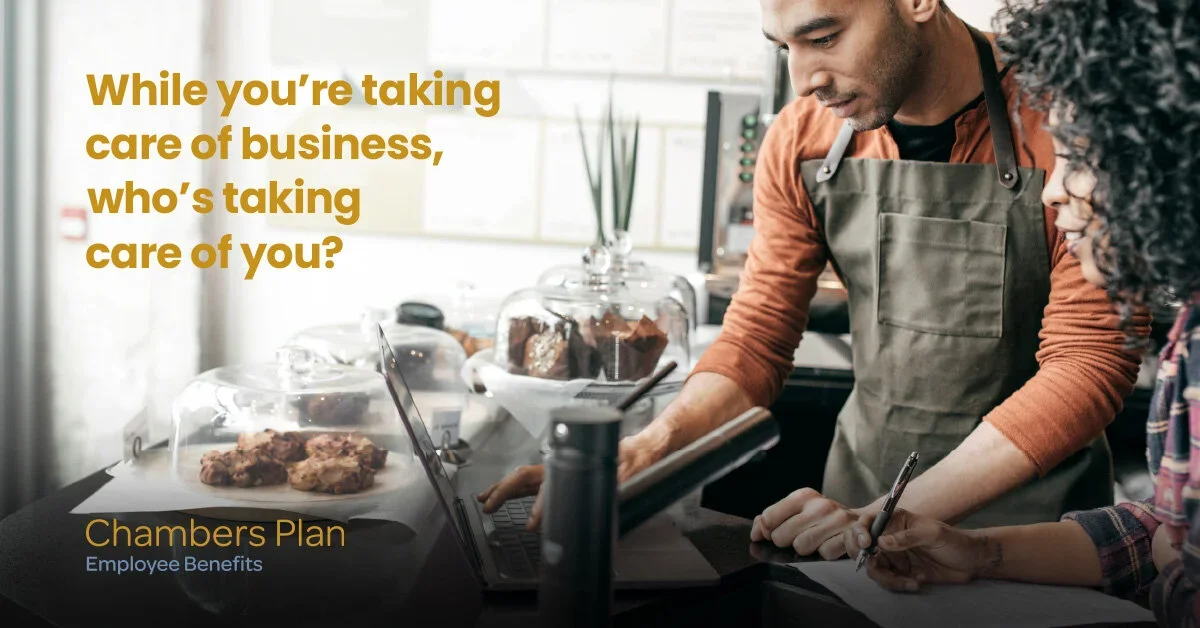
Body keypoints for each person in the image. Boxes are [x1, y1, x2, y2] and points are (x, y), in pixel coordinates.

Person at [478, 0, 1147, 559]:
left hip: (1036, 534)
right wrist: (642, 452)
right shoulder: (803, 138)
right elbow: (759, 334)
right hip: (858, 502)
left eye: (822, 36)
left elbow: (1090, 360)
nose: (802, 79)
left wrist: (899, 513)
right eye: (783, 48)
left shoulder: (1069, 119)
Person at [841, 0, 1200, 622]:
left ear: (1160, 162)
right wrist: (977, 553)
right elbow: (1169, 538)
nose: (1055, 189)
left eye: (1079, 160)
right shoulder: (1187, 341)